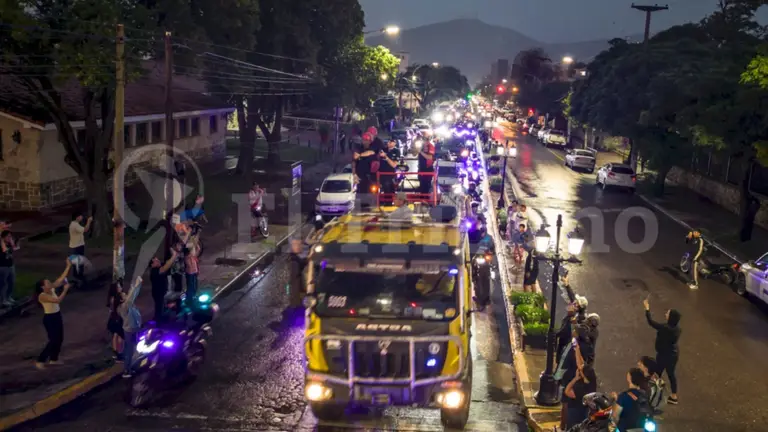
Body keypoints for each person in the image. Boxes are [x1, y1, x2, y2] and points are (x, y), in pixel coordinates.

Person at [34, 260, 73, 369]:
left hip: (57, 315)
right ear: (42, 287)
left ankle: (53, 359)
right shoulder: (42, 296)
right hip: (50, 318)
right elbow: (57, 300)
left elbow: (61, 278)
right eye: (47, 283)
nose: (50, 283)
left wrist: (68, 266)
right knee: (53, 340)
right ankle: (40, 360)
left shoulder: (51, 289)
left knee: (60, 338)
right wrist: (65, 290)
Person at [644, 297, 681, 405]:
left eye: (668, 313)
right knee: (670, 373)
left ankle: (652, 395)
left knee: (656, 372)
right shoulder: (677, 329)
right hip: (673, 354)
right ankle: (674, 396)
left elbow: (651, 322)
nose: (666, 314)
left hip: (664, 355)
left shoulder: (665, 328)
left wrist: (647, 308)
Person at [118, 277, 143, 378]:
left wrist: (136, 286)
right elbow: (131, 296)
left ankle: (131, 367)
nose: (126, 295)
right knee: (129, 350)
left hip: (134, 329)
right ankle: (126, 370)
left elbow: (132, 295)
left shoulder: (128, 304)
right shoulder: (124, 306)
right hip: (130, 330)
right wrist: (136, 285)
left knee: (133, 349)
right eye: (124, 295)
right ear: (121, 299)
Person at [563, 364, 598, 429]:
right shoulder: (592, 384)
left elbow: (567, 391)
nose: (578, 370)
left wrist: (575, 378)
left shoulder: (579, 389)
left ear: (583, 374)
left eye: (580, 370)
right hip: (585, 413)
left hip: (575, 413)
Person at [556, 295, 588, 365]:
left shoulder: (577, 318)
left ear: (578, 307)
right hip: (565, 342)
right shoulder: (573, 315)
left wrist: (555, 334)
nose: (574, 303)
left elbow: (566, 331)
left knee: (561, 360)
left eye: (576, 303)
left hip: (568, 343)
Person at [149, 250, 177, 321]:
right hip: (157, 292)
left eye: (157, 259)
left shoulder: (159, 267)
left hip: (162, 291)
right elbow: (165, 267)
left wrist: (173, 256)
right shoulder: (154, 271)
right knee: (159, 306)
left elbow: (168, 263)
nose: (158, 261)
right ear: (152, 265)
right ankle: (158, 320)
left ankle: (159, 318)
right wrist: (174, 255)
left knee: (161, 306)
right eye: (155, 261)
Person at [68, 213, 93, 287]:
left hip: (77, 246)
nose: (82, 217)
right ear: (77, 217)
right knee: (78, 263)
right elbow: (85, 229)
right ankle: (78, 279)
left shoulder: (75, 224)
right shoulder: (75, 225)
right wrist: (89, 221)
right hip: (76, 247)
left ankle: (78, 277)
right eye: (80, 216)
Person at [106, 281, 125, 361]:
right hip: (117, 320)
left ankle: (116, 353)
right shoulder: (117, 299)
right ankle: (119, 354)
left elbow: (110, 310)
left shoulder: (111, 298)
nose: (121, 288)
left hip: (113, 319)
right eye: (119, 287)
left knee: (115, 335)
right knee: (120, 337)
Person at [0, 230, 19, 307]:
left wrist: (13, 243)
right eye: (8, 236)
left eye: (10, 236)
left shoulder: (9, 244)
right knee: (3, 284)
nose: (10, 238)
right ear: (3, 238)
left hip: (11, 266)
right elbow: (5, 251)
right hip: (3, 267)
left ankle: (8, 297)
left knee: (11, 282)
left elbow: (15, 248)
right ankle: (3, 300)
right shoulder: (2, 245)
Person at [287, 239, 307, 310]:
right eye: (297, 245)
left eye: (300, 244)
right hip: (295, 296)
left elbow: (303, 262)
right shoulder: (293, 262)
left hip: (294, 293)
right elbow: (293, 283)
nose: (300, 246)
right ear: (292, 247)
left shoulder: (295, 258)